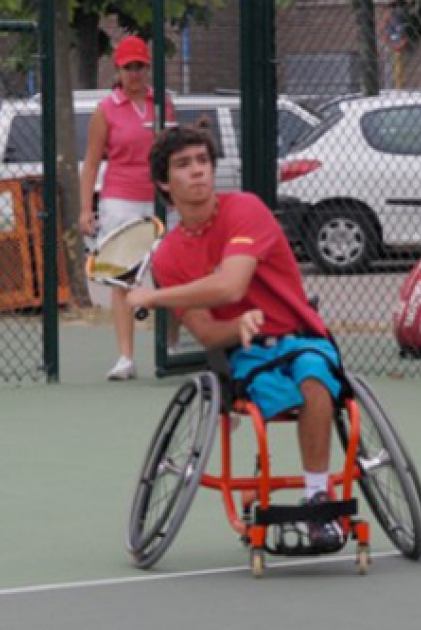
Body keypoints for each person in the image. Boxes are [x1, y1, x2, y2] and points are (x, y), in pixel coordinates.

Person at [127, 124, 344, 551]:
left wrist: (153, 296)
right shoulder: (169, 256)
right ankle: (257, 486)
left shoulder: (245, 209)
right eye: (184, 165)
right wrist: (239, 327)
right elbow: (206, 331)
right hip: (246, 354)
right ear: (163, 183)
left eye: (203, 162)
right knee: (263, 400)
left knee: (314, 377)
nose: (197, 173)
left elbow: (230, 287)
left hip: (301, 335)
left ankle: (317, 495)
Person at [79, 35, 176, 381]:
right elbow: (91, 163)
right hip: (119, 200)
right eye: (128, 67)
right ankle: (126, 358)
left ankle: (173, 349)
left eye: (140, 66)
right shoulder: (105, 110)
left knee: (170, 273)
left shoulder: (162, 103)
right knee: (122, 279)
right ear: (118, 70)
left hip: (160, 200)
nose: (135, 74)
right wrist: (84, 210)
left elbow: (172, 153)